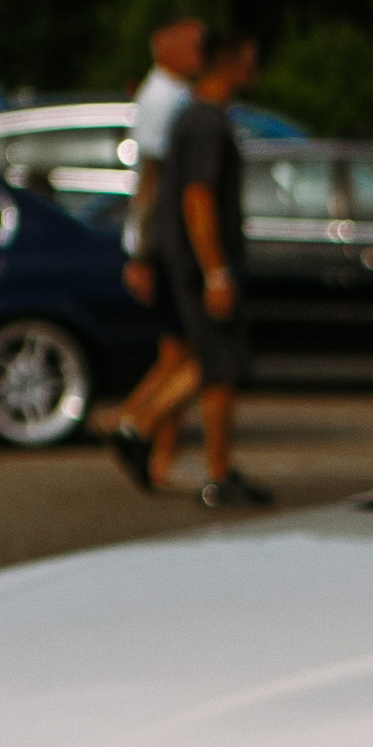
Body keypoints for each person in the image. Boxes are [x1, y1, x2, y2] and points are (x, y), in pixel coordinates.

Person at [116, 30, 270, 510]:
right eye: (250, 57)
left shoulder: (195, 116)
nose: (255, 66)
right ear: (229, 61)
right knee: (216, 362)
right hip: (198, 262)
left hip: (185, 259)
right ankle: (143, 432)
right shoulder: (206, 121)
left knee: (208, 362)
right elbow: (197, 196)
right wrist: (216, 270)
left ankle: (164, 442)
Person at [102, 14, 202, 488]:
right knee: (194, 354)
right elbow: (151, 181)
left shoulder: (171, 94)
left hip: (161, 240)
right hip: (165, 243)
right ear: (165, 44)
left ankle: (150, 445)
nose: (202, 52)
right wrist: (141, 252)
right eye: (194, 42)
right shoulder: (164, 98)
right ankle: (135, 429)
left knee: (175, 352)